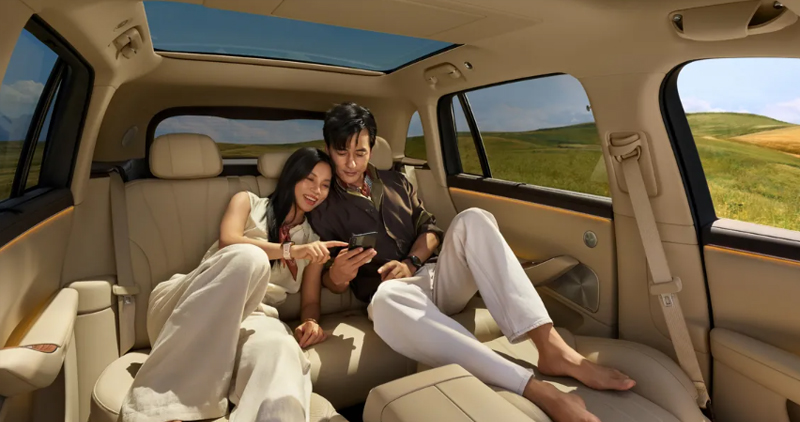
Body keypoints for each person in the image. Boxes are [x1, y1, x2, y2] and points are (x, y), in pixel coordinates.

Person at [308, 103, 637, 422]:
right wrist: (338, 276)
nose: (351, 163)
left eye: (360, 152)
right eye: (342, 152)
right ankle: (534, 388)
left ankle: (552, 348)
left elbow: (431, 230)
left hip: (438, 277)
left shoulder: (396, 182)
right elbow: (329, 281)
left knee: (474, 218)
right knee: (385, 299)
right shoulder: (323, 205)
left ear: (371, 149)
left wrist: (411, 261)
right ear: (328, 149)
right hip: (395, 297)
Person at [120, 147, 347, 422]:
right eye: (310, 179)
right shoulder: (247, 202)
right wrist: (291, 251)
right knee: (251, 259)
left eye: (325, 185)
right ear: (292, 175)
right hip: (191, 306)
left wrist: (311, 323)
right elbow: (228, 241)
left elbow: (310, 301)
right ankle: (155, 410)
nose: (317, 190)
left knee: (282, 349)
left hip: (253, 321)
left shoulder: (314, 241)